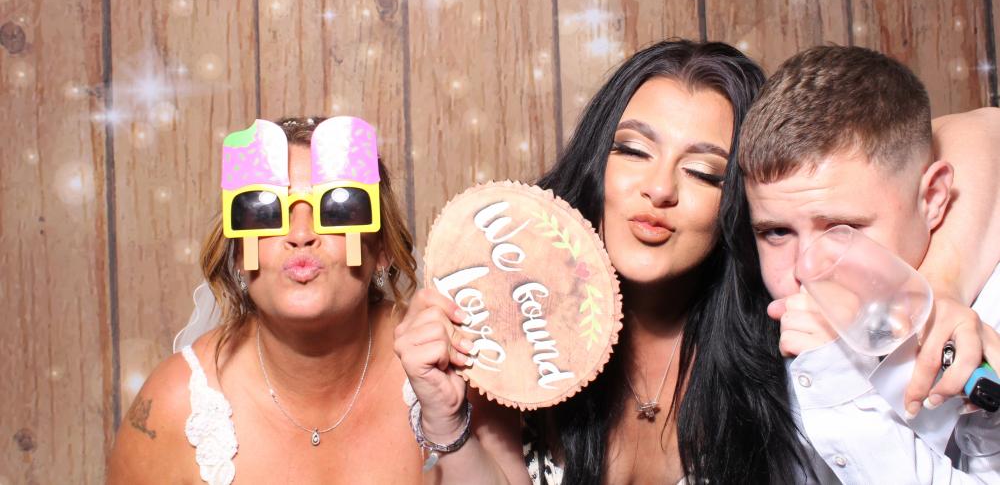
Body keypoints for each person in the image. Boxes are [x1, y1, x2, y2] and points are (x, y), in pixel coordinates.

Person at [396, 40, 810, 484]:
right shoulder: (515, 321)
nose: (659, 189)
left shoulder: (789, 350)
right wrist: (446, 420)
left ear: (740, 200)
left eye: (703, 172)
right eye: (633, 150)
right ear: (596, 159)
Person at [108, 116, 422, 484]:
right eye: (265, 211)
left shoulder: (447, 366)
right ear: (239, 254)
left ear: (383, 249)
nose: (301, 235)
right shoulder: (174, 407)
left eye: (337, 208)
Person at [739, 46, 1000, 481]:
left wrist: (841, 391)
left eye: (842, 229)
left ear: (933, 198)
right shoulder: (752, 331)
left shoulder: (988, 317)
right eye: (777, 232)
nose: (805, 270)